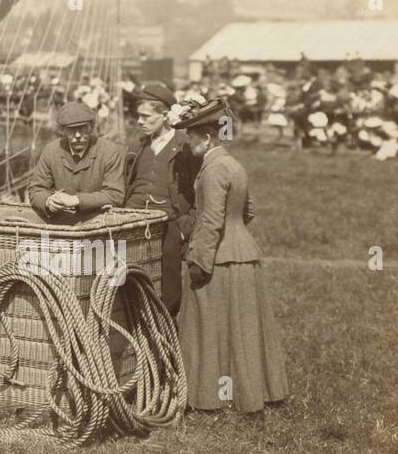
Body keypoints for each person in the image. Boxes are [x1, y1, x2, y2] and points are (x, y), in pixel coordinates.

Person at [172, 99, 289, 413]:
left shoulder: (211, 170)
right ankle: (253, 393)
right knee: (244, 328)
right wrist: (235, 235)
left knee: (209, 326)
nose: (189, 143)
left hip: (219, 258)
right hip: (244, 253)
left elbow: (210, 221)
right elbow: (248, 211)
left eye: (191, 137)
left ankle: (210, 397)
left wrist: (198, 261)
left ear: (207, 137)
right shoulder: (234, 165)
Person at [124, 83, 197, 315]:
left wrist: (185, 225)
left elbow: (198, 189)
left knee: (169, 281)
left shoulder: (185, 147)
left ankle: (165, 331)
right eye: (139, 116)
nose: (140, 121)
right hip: (132, 221)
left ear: (165, 115)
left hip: (169, 223)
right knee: (127, 276)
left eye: (146, 116)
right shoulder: (138, 146)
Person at [27, 101, 124, 220]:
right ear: (62, 131)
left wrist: (76, 200)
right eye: (72, 129)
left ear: (92, 128)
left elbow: (115, 194)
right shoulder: (51, 151)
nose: (78, 135)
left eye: (83, 128)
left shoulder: (109, 152)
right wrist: (48, 201)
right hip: (60, 223)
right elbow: (36, 189)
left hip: (97, 223)